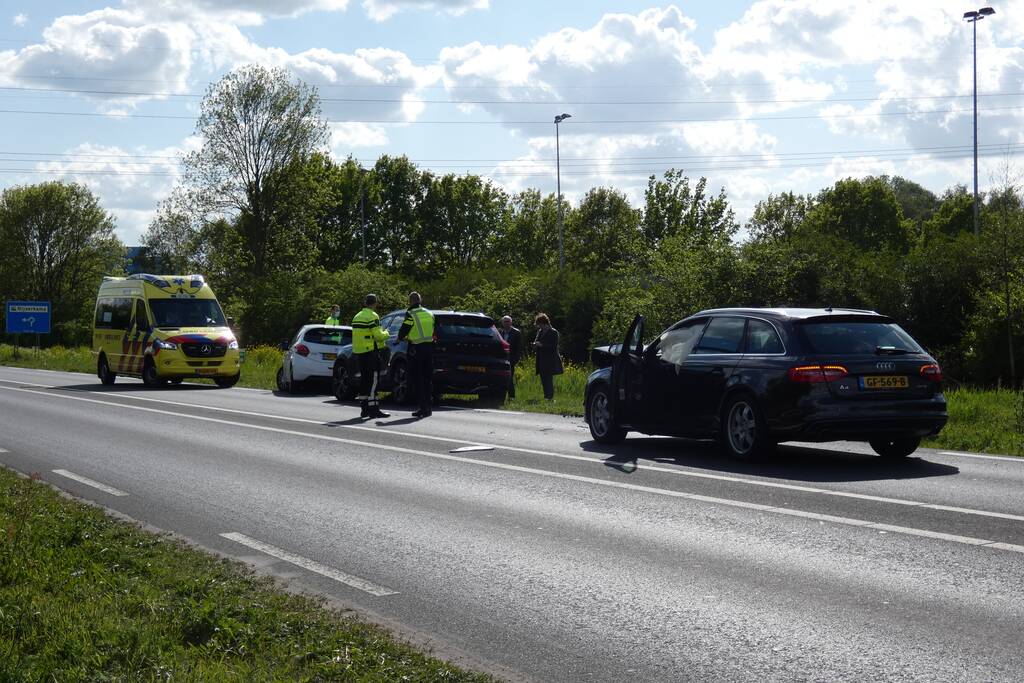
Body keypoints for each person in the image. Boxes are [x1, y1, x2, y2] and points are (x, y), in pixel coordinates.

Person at [350, 294, 390, 419]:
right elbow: (378, 336)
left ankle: (364, 409)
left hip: (359, 352)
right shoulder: (373, 316)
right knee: (373, 381)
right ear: (375, 303)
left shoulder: (357, 316)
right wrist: (387, 333)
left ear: (365, 302)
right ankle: (374, 409)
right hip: (371, 352)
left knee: (364, 380)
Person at [397, 291, 435, 418]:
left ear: (410, 301)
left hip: (416, 348)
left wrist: (399, 338)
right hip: (429, 348)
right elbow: (434, 329)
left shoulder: (411, 313)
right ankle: (428, 408)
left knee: (417, 378)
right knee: (427, 378)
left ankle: (422, 408)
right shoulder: (429, 313)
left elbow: (405, 328)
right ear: (420, 300)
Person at [533, 313, 563, 401]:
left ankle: (549, 398)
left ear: (544, 323)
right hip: (541, 359)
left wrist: (542, 345)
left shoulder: (553, 332)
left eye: (540, 324)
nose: (539, 326)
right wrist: (535, 344)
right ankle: (546, 396)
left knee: (548, 378)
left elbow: (554, 346)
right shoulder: (540, 331)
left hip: (550, 359)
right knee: (543, 378)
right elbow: (537, 341)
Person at [498, 315, 523, 399]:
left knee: (509, 378)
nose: (507, 323)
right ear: (502, 323)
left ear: (511, 322)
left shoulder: (516, 332)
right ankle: (501, 396)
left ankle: (511, 397)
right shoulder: (500, 332)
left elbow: (519, 347)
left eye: (508, 321)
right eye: (505, 321)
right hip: (501, 359)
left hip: (511, 359)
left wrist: (516, 359)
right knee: (500, 378)